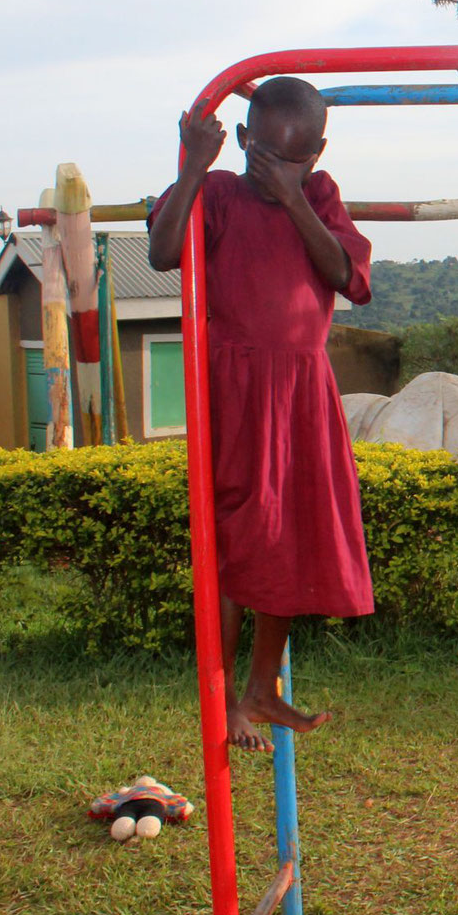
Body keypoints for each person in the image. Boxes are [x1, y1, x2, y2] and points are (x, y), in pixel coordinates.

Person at [148, 76, 376, 752]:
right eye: (264, 156)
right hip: (238, 388)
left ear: (318, 152)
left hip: (302, 390)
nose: (277, 169)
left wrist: (293, 198)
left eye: (294, 159)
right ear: (242, 140)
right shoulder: (216, 194)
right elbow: (164, 252)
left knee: (290, 534)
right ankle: (221, 700)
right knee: (236, 538)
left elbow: (349, 277)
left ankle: (261, 687)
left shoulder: (320, 196)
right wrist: (195, 167)